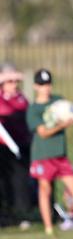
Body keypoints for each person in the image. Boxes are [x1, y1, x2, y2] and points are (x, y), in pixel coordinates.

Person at [26, 69, 73, 238]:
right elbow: (43, 133)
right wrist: (62, 125)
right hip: (43, 155)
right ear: (36, 86)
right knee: (45, 190)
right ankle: (49, 228)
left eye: (48, 84)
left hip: (60, 155)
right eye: (42, 84)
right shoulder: (33, 109)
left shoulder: (58, 101)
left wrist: (71, 118)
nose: (46, 88)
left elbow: (71, 112)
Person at [0, 63, 33, 226]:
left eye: (15, 81)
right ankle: (5, 213)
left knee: (20, 181)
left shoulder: (21, 99)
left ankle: (22, 214)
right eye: (9, 81)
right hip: (3, 148)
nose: (14, 85)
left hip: (21, 145)